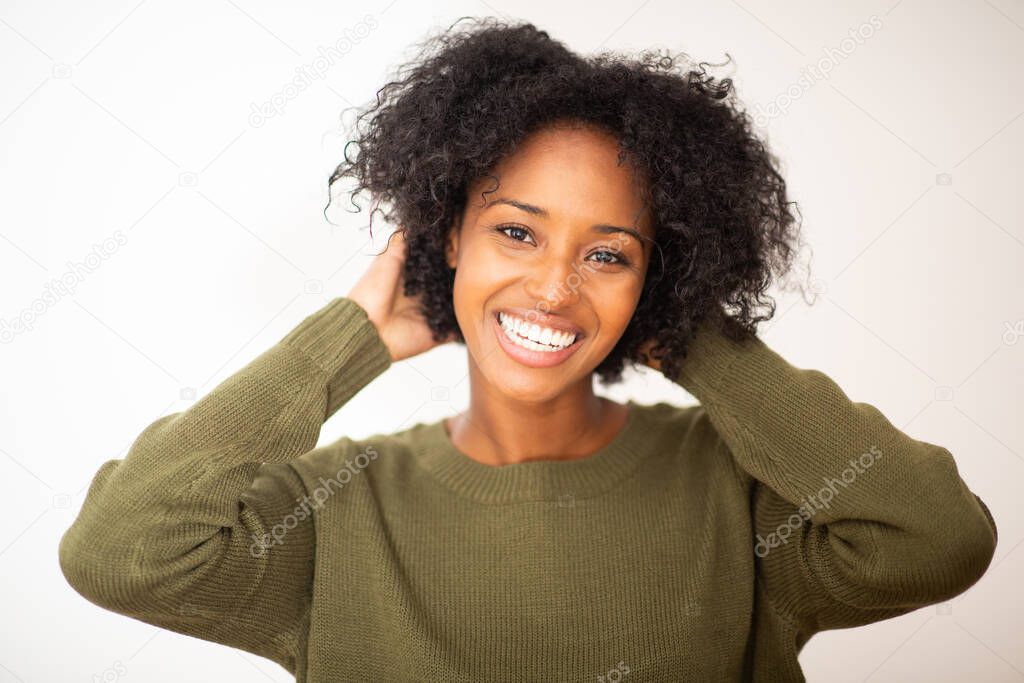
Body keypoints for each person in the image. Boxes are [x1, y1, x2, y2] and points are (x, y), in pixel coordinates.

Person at [58, 17, 997, 682]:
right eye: (515, 231)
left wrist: (695, 340)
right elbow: (120, 550)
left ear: (654, 276)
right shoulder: (333, 513)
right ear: (447, 236)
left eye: (608, 253)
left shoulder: (737, 494)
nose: (555, 288)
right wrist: (345, 343)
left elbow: (938, 538)